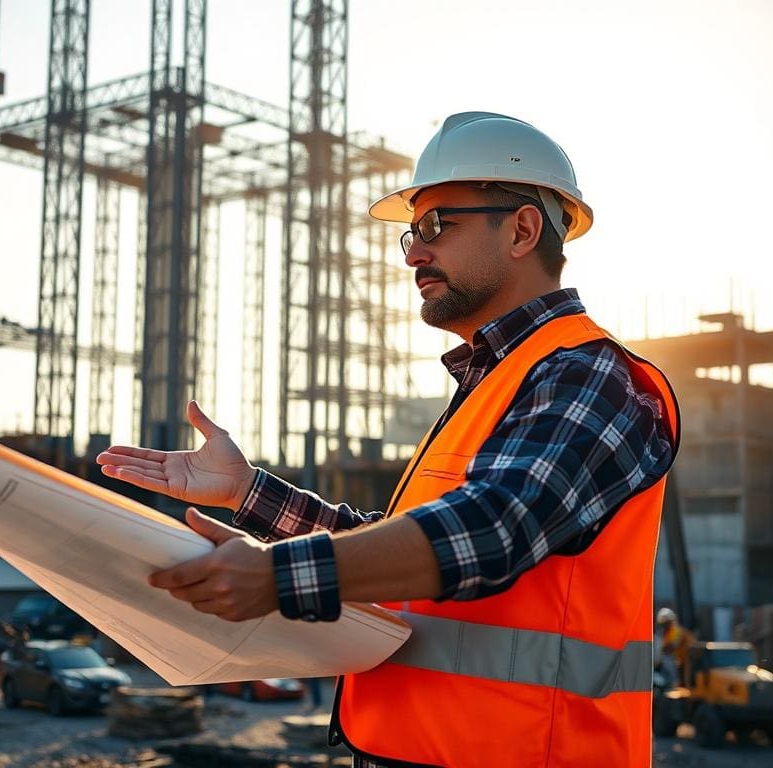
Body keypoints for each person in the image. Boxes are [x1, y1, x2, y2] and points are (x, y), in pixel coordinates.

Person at [98, 112, 680, 767]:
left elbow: (490, 532)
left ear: (522, 229)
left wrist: (275, 576)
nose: (411, 252)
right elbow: (407, 554)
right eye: (410, 232)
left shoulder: (591, 375)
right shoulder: (497, 380)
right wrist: (249, 492)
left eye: (436, 226)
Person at [656, 607, 694, 687]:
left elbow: (670, 647)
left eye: (666, 623)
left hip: (687, 659)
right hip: (680, 659)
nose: (664, 626)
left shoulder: (676, 631)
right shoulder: (666, 633)